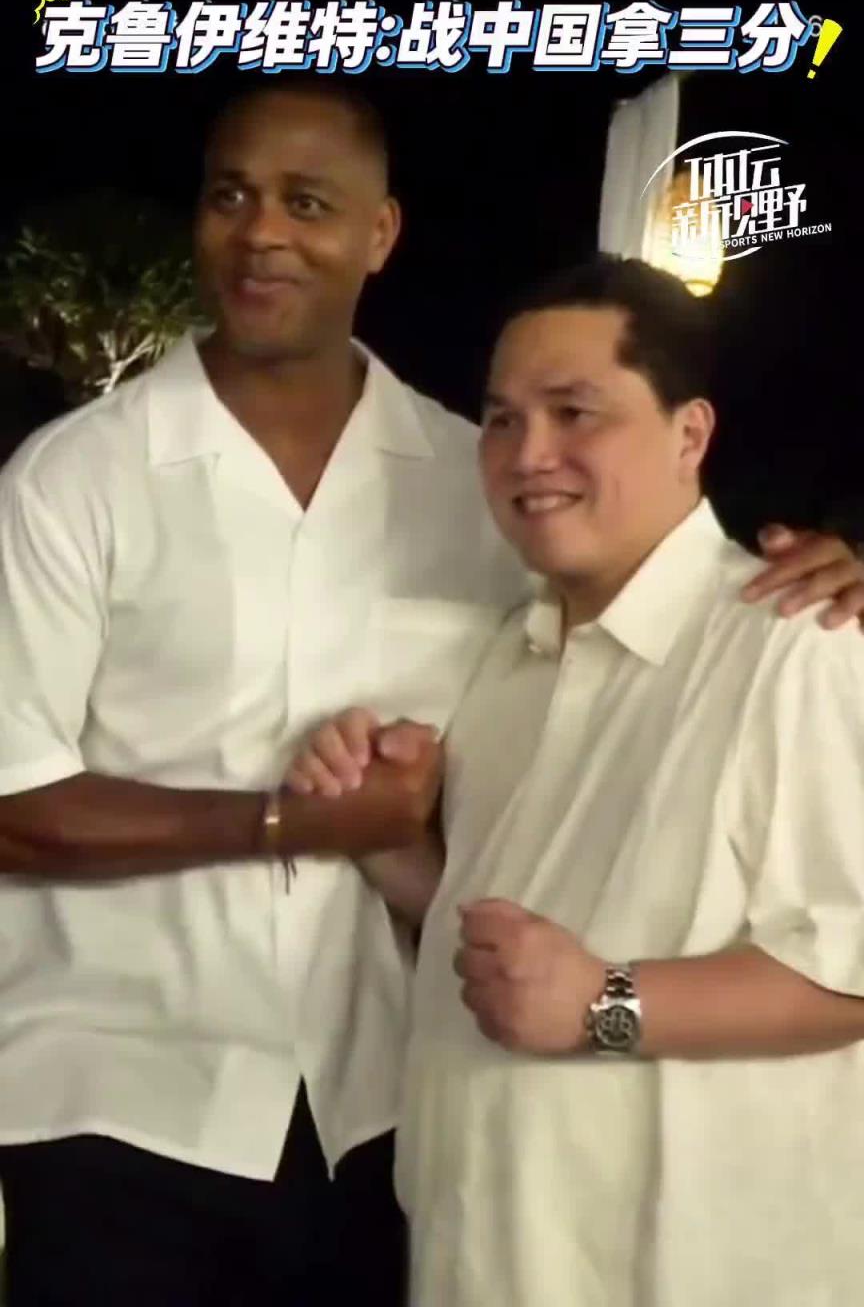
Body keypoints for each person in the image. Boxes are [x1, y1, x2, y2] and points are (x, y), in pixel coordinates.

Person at [0, 90, 859, 1307]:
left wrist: (837, 584)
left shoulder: (495, 495)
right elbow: (13, 801)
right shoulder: (75, 481)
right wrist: (321, 825)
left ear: (381, 233)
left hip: (383, 1119)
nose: (263, 232)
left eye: (307, 202)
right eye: (230, 195)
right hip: (125, 1104)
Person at [289, 257, 864, 1307]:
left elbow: (848, 969)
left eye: (574, 412)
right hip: (487, 1258)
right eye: (502, 419)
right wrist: (381, 836)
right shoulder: (508, 661)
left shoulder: (796, 645)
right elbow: (503, 942)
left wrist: (607, 1005)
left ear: (689, 434)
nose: (529, 453)